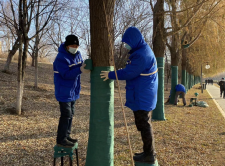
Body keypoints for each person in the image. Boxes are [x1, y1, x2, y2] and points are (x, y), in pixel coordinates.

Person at [100, 27, 158, 164]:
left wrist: (111, 75)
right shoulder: (141, 50)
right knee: (143, 124)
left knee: (144, 125)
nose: (126, 46)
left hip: (142, 96)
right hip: (144, 94)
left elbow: (129, 73)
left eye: (128, 43)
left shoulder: (142, 55)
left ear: (134, 40)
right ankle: (148, 151)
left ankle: (150, 154)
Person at [53, 34, 90, 147]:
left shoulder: (78, 54)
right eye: (73, 45)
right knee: (66, 114)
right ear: (67, 46)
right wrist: (80, 69)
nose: (75, 48)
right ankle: (61, 139)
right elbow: (66, 74)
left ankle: (67, 135)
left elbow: (81, 65)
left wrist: (85, 66)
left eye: (77, 46)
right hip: (64, 91)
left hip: (73, 91)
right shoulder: (61, 58)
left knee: (71, 113)